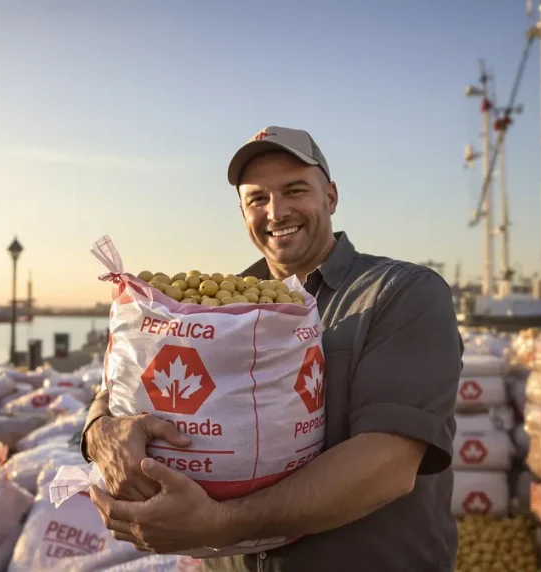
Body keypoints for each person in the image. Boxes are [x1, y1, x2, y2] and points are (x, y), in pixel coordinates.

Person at [81, 126, 463, 571]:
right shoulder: (214, 310)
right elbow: (125, 380)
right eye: (256, 199)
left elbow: (390, 462)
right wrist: (97, 432)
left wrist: (220, 524)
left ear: (331, 197)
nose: (276, 211)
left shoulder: (401, 295)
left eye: (294, 190)